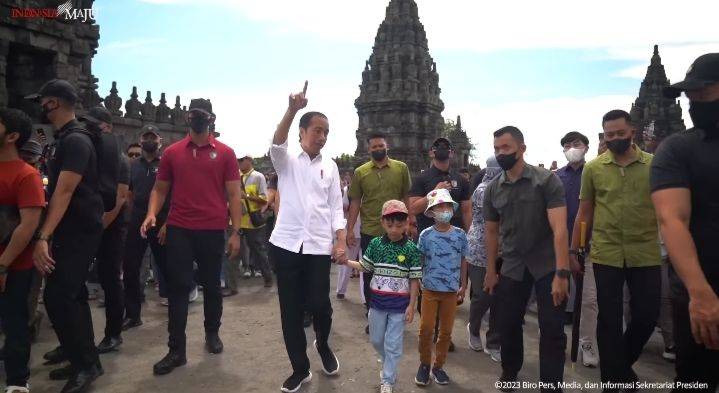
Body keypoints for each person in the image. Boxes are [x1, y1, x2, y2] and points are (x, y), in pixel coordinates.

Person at [142, 98, 243, 376]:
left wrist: (236, 232)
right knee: (178, 288)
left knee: (212, 285)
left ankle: (212, 333)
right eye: (193, 114)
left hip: (212, 229)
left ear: (211, 118)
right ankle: (176, 350)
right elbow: (160, 190)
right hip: (180, 229)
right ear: (188, 117)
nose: (198, 119)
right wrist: (152, 213)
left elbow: (235, 194)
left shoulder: (225, 153)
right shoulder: (173, 153)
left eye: (203, 115)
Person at [571, 110, 661, 390]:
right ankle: (613, 381)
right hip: (605, 252)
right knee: (608, 320)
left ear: (632, 131)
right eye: (610, 135)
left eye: (620, 133)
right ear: (603, 135)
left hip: (645, 251)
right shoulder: (594, 168)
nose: (616, 138)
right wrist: (575, 250)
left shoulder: (654, 165)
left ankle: (621, 367)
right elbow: (584, 212)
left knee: (647, 315)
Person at [28, 79, 108, 393]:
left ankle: (86, 364)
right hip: (72, 228)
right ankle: (84, 361)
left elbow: (64, 190)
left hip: (78, 230)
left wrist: (43, 236)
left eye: (44, 102)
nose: (42, 108)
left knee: (60, 296)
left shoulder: (76, 140)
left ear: (55, 102)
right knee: (69, 296)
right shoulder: (67, 138)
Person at [268, 82, 346, 393]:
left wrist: (340, 240)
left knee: (320, 305)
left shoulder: (331, 166)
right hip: (285, 245)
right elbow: (275, 144)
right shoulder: (286, 161)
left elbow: (336, 207)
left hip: (317, 247)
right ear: (302, 131)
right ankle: (300, 369)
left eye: (327, 131)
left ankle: (323, 344)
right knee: (290, 310)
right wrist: (291, 109)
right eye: (317, 130)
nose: (323, 136)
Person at [651, 53, 719, 392]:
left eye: (703, 92)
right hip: (702, 293)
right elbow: (672, 219)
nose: (693, 102)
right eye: (688, 96)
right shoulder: (678, 149)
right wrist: (701, 294)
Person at [483, 126, 570, 391]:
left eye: (506, 148)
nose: (501, 153)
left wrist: (561, 273)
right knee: (507, 324)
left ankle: (551, 384)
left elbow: (560, 229)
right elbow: (491, 231)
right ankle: (510, 370)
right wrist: (489, 270)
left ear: (522, 148)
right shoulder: (493, 188)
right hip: (512, 264)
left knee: (552, 329)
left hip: (547, 264)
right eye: (497, 149)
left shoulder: (546, 181)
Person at [343, 200, 421, 393]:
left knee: (393, 344)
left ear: (407, 224)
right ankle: (389, 364)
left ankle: (387, 379)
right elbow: (365, 266)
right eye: (390, 225)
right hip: (377, 305)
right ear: (382, 222)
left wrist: (412, 305)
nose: (395, 229)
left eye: (400, 225)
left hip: (399, 307)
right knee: (377, 340)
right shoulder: (376, 245)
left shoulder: (411, 249)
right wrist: (346, 262)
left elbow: (414, 280)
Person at [408, 136, 471, 352]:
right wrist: (433, 192)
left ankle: (444, 332)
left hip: (454, 242)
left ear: (452, 153)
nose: (443, 151)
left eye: (447, 147)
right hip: (429, 242)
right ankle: (431, 328)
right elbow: (413, 208)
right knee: (426, 288)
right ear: (431, 152)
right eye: (438, 147)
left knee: (451, 291)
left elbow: (466, 210)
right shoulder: (422, 178)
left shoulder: (461, 180)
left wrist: (468, 236)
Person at [75, 107, 130, 355]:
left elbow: (119, 198)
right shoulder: (88, 154)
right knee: (75, 282)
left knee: (110, 280)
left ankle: (113, 334)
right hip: (87, 227)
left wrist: (97, 228)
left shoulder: (120, 159)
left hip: (109, 227)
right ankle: (74, 340)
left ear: (108, 126)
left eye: (96, 124)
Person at [347, 131, 412, 333]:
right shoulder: (361, 172)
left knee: (399, 275)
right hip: (371, 231)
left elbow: (405, 197)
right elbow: (355, 202)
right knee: (370, 275)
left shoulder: (401, 168)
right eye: (374, 147)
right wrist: (350, 229)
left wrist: (409, 222)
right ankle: (373, 315)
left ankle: (396, 315)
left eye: (380, 145)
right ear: (368, 149)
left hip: (397, 232)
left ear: (387, 146)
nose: (377, 149)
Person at [0, 108, 45, 393]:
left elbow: (27, 225)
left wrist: (3, 264)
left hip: (13, 266)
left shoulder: (27, 176)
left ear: (12, 136)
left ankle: (17, 381)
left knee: (15, 322)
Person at [414, 188, 468, 386]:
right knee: (426, 329)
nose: (443, 210)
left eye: (446, 206)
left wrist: (464, 284)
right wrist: (418, 280)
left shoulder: (460, 235)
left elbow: (463, 260)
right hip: (429, 289)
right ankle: (424, 364)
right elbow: (419, 260)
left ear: (452, 209)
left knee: (445, 332)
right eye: (438, 207)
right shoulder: (426, 235)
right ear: (431, 212)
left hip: (451, 291)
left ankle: (438, 366)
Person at [555, 131, 598, 368]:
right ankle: (556, 338)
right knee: (558, 292)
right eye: (568, 144)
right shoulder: (556, 177)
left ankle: (586, 341)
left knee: (588, 299)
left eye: (577, 143)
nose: (572, 147)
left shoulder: (594, 173)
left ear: (586, 147)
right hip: (560, 242)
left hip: (588, 244)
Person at [123, 125, 169, 328]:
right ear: (140, 140)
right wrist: (130, 218)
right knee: (131, 267)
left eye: (153, 137)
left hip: (162, 221)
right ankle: (133, 314)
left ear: (160, 141)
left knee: (168, 267)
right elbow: (129, 194)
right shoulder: (132, 165)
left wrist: (168, 223)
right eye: (145, 137)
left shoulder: (168, 164)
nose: (149, 140)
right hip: (137, 220)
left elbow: (175, 194)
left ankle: (176, 308)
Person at [466, 156, 501, 362]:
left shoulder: (508, 187)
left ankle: (494, 340)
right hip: (480, 247)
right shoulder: (482, 190)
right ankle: (474, 327)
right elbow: (494, 220)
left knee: (500, 298)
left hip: (504, 249)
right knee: (482, 294)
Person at [237, 153, 272, 288]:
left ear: (249, 160)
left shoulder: (258, 177)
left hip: (252, 220)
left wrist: (246, 197)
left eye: (241, 159)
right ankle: (232, 284)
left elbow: (264, 199)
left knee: (258, 250)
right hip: (237, 219)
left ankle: (267, 277)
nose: (239, 162)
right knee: (233, 251)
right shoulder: (235, 176)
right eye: (238, 160)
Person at [336, 174, 361, 300]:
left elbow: (343, 207)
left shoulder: (349, 189)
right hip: (354, 229)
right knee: (347, 262)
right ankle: (341, 290)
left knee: (364, 265)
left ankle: (364, 297)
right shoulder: (348, 190)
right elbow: (343, 208)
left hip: (363, 229)